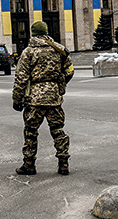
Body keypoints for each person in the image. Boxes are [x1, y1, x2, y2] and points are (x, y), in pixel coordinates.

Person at [11, 21, 74, 175]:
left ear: (33, 33)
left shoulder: (29, 52)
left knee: (31, 131)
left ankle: (29, 164)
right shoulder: (58, 49)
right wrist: (59, 85)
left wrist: (17, 99)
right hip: (54, 98)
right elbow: (70, 70)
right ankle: (63, 163)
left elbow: (21, 78)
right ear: (46, 32)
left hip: (34, 99)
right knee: (58, 129)